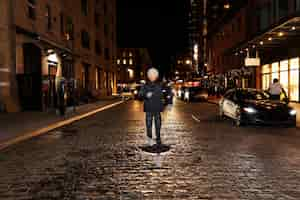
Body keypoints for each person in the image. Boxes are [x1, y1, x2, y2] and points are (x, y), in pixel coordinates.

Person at [139, 68, 163, 146]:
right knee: (148, 125)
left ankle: (158, 138)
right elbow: (140, 95)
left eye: (154, 75)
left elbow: (165, 93)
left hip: (157, 108)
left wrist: (167, 101)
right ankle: (149, 139)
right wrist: (146, 95)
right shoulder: (145, 85)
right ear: (149, 76)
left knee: (158, 125)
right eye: (151, 75)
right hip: (148, 108)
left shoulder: (160, 84)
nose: (152, 76)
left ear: (156, 76)